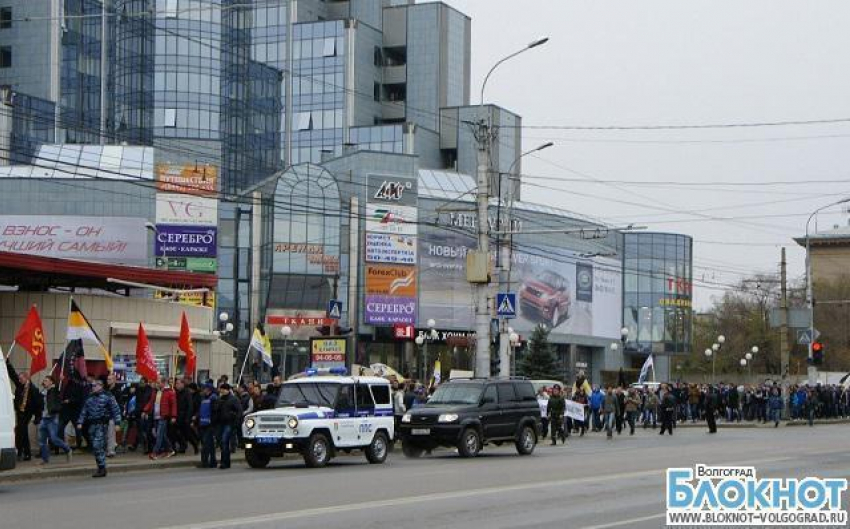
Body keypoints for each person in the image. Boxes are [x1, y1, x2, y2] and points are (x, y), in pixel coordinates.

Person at [77, 379, 121, 478]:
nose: (93, 387)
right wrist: (80, 422)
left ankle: (102, 468)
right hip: (92, 425)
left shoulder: (108, 396)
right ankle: (101, 467)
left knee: (97, 446)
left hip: (102, 425)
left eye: (95, 385)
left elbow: (116, 410)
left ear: (100, 386)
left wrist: (117, 423)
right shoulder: (90, 398)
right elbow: (84, 411)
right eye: (92, 386)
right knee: (96, 448)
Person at [5, 360, 42, 462]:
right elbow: (13, 375)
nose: (19, 380)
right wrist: (8, 363)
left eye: (21, 379)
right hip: (20, 412)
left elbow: (38, 404)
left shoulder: (33, 389)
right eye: (19, 379)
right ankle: (21, 451)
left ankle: (26, 453)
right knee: (20, 431)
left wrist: (38, 416)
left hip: (27, 413)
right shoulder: (20, 385)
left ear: (26, 378)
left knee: (23, 432)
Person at [37, 375, 72, 465]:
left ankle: (67, 449)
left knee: (54, 438)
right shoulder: (43, 392)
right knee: (42, 441)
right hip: (44, 418)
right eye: (44, 380)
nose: (44, 382)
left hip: (52, 418)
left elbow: (60, 389)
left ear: (51, 382)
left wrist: (62, 381)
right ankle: (45, 459)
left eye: (46, 380)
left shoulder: (54, 390)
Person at [143, 378, 177, 460]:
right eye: (156, 383)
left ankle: (155, 452)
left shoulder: (169, 392)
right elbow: (151, 402)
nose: (157, 384)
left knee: (159, 435)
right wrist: (145, 410)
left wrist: (173, 416)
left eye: (158, 383)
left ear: (163, 383)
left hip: (163, 417)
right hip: (156, 417)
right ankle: (170, 450)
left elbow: (174, 405)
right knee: (162, 435)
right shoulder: (156, 392)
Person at [215, 383, 242, 469]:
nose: (221, 391)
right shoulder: (220, 399)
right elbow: (217, 410)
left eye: (223, 389)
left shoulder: (233, 399)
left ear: (227, 390)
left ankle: (225, 462)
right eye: (221, 389)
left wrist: (235, 422)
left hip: (229, 423)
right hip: (221, 423)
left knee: (224, 441)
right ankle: (225, 461)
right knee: (222, 442)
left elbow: (239, 411)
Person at [195, 383, 218, 469]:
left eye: (204, 389)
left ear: (208, 389)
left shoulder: (213, 398)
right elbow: (201, 410)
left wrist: (212, 422)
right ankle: (213, 462)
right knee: (210, 444)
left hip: (209, 424)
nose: (203, 390)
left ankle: (205, 462)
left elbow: (215, 412)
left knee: (206, 444)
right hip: (203, 423)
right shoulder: (204, 398)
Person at [174, 379, 198, 454]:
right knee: (177, 433)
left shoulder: (187, 393)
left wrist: (188, 418)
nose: (176, 385)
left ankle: (195, 446)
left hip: (185, 417)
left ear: (182, 384)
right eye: (176, 384)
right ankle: (183, 446)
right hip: (178, 416)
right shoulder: (177, 393)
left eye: (178, 383)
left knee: (187, 434)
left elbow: (190, 406)